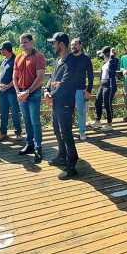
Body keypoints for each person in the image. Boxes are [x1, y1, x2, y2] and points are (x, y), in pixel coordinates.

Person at [45, 32, 79, 179]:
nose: (52, 46)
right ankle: (61, 156)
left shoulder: (71, 62)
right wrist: (47, 90)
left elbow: (65, 84)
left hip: (65, 103)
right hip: (56, 103)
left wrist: (51, 95)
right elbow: (52, 78)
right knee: (57, 130)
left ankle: (71, 165)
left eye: (54, 43)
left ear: (61, 44)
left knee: (66, 133)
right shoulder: (59, 60)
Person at [13, 33, 46, 162]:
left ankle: (38, 147)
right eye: (21, 42)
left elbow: (40, 77)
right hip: (21, 92)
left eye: (25, 42)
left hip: (33, 93)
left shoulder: (39, 56)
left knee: (34, 120)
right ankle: (29, 144)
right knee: (26, 120)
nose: (23, 45)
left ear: (32, 42)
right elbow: (14, 77)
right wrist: (18, 92)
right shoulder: (18, 57)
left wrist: (27, 92)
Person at [0, 41, 23, 142]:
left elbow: (18, 76)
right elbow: (0, 74)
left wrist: (8, 86)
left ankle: (18, 133)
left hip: (12, 91)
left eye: (1, 49)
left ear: (5, 50)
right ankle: (3, 133)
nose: (0, 51)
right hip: (2, 91)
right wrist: (0, 84)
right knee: (3, 112)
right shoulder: (4, 61)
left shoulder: (15, 60)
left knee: (15, 112)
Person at [70, 38, 94, 141]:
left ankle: (82, 131)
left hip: (81, 89)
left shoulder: (85, 59)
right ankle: (68, 131)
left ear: (80, 45)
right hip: (69, 90)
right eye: (72, 45)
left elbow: (91, 76)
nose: (73, 46)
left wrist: (89, 90)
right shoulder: (68, 58)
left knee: (81, 112)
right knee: (68, 111)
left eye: (75, 44)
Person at [91, 46, 119, 132]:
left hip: (109, 86)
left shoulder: (113, 61)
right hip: (102, 85)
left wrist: (111, 54)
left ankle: (109, 124)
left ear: (108, 54)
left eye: (104, 55)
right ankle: (98, 120)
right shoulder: (106, 63)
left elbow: (112, 65)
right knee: (98, 101)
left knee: (107, 104)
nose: (102, 57)